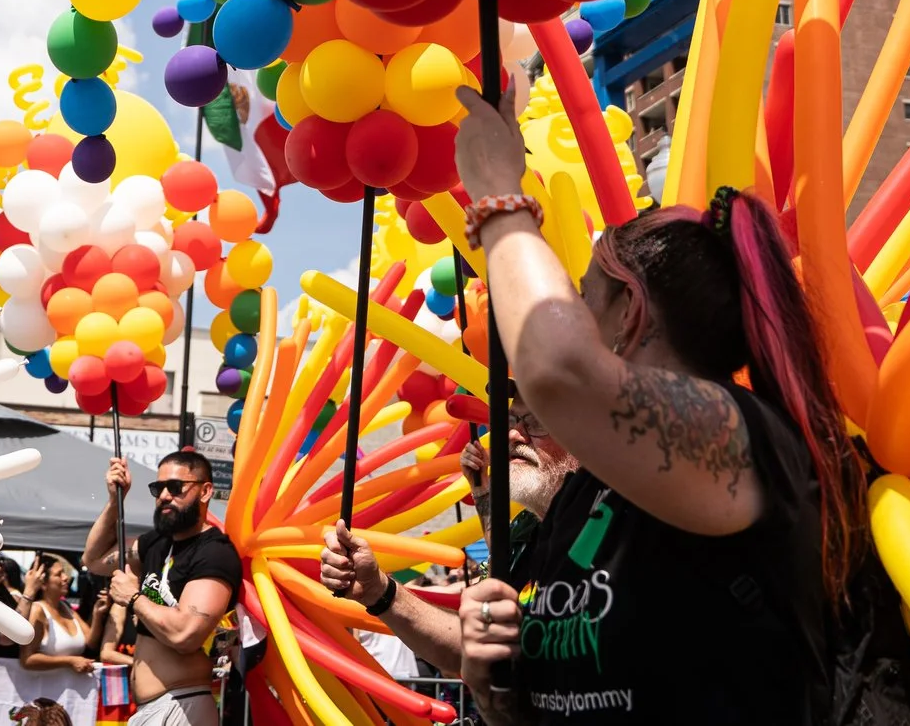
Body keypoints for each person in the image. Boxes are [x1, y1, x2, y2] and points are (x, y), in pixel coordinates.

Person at [448, 89, 862, 726]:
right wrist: (496, 688)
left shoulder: (743, 440)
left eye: (588, 298)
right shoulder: (590, 491)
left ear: (631, 313)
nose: (576, 318)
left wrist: (499, 195)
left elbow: (558, 367)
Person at [318, 409, 579, 679]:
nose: (513, 434)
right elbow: (471, 647)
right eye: (511, 420)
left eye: (537, 421)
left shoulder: (618, 527)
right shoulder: (529, 532)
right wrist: (377, 589)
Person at [82, 453, 236, 726]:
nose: (164, 495)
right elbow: (93, 561)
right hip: (152, 708)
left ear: (205, 491)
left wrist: (133, 597)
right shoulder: (156, 543)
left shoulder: (215, 552)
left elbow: (186, 634)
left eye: (175, 487)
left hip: (182, 705)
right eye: (158, 488)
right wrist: (115, 501)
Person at [18, 556, 100, 679]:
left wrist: (98, 614)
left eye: (64, 573)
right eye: (58, 574)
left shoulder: (66, 607)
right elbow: (27, 659)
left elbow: (90, 642)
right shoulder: (38, 610)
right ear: (43, 583)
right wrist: (69, 661)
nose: (66, 578)